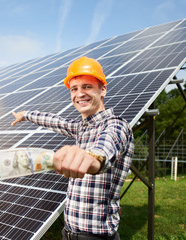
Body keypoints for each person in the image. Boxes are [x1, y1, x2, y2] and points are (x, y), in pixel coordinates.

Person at [11, 56, 134, 240]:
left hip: (95, 238)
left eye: (87, 87)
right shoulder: (80, 128)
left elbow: (103, 151)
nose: (79, 94)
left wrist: (89, 158)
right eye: (74, 89)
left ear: (103, 90)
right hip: (68, 234)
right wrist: (25, 115)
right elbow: (55, 121)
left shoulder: (116, 126)